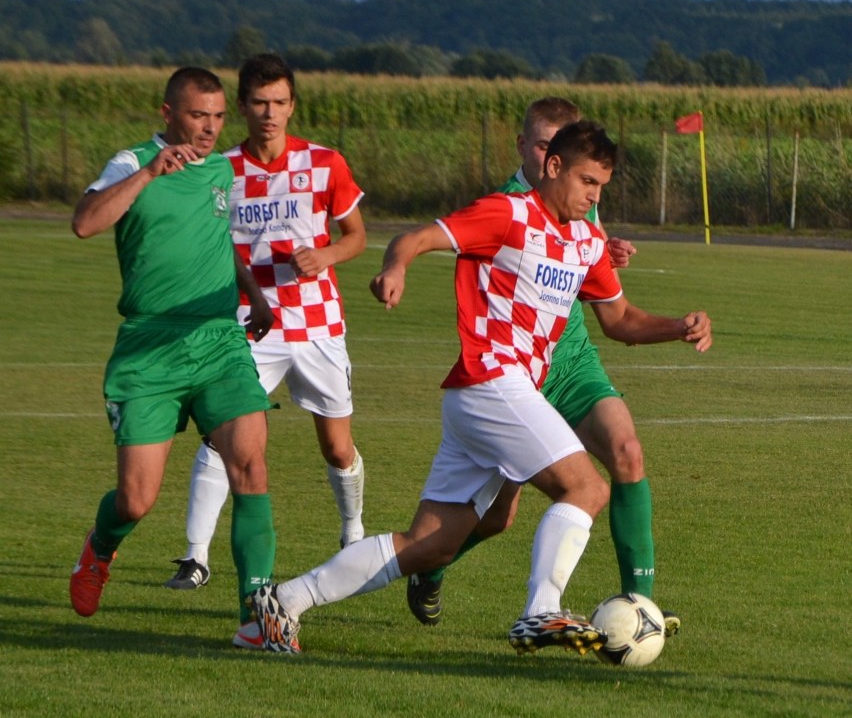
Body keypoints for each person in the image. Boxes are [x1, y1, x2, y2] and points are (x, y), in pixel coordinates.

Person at [246, 120, 712, 655]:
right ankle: (540, 612)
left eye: (602, 186)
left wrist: (678, 327)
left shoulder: (586, 241)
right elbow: (416, 237)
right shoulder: (509, 213)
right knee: (586, 487)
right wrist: (394, 269)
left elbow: (621, 318)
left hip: (494, 395)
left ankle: (283, 603)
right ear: (553, 167)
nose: (593, 195)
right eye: (587, 181)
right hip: (491, 378)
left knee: (429, 543)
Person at [406, 97, 682, 640]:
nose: (546, 153)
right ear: (529, 150)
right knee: (497, 518)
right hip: (513, 373)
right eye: (539, 143)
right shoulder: (505, 208)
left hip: (570, 361)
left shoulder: (582, 197)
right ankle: (431, 565)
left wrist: (608, 252)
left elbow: (596, 282)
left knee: (626, 452)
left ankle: (640, 606)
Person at [68, 66, 277, 647]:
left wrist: (253, 293)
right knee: (136, 500)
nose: (209, 128)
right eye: (196, 116)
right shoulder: (131, 162)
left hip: (217, 341)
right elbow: (85, 223)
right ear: (168, 116)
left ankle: (257, 617)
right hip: (149, 349)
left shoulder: (221, 168)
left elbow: (215, 236)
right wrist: (149, 173)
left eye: (216, 116)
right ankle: (100, 547)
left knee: (251, 466)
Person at [163, 54, 367, 622]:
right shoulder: (222, 169)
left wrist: (324, 254)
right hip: (249, 326)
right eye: (258, 102)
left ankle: (353, 532)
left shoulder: (324, 163)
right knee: (222, 438)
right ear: (243, 107)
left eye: (279, 102)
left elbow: (356, 236)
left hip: (320, 324)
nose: (269, 113)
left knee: (335, 446)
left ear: (292, 105)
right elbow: (207, 237)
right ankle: (195, 556)